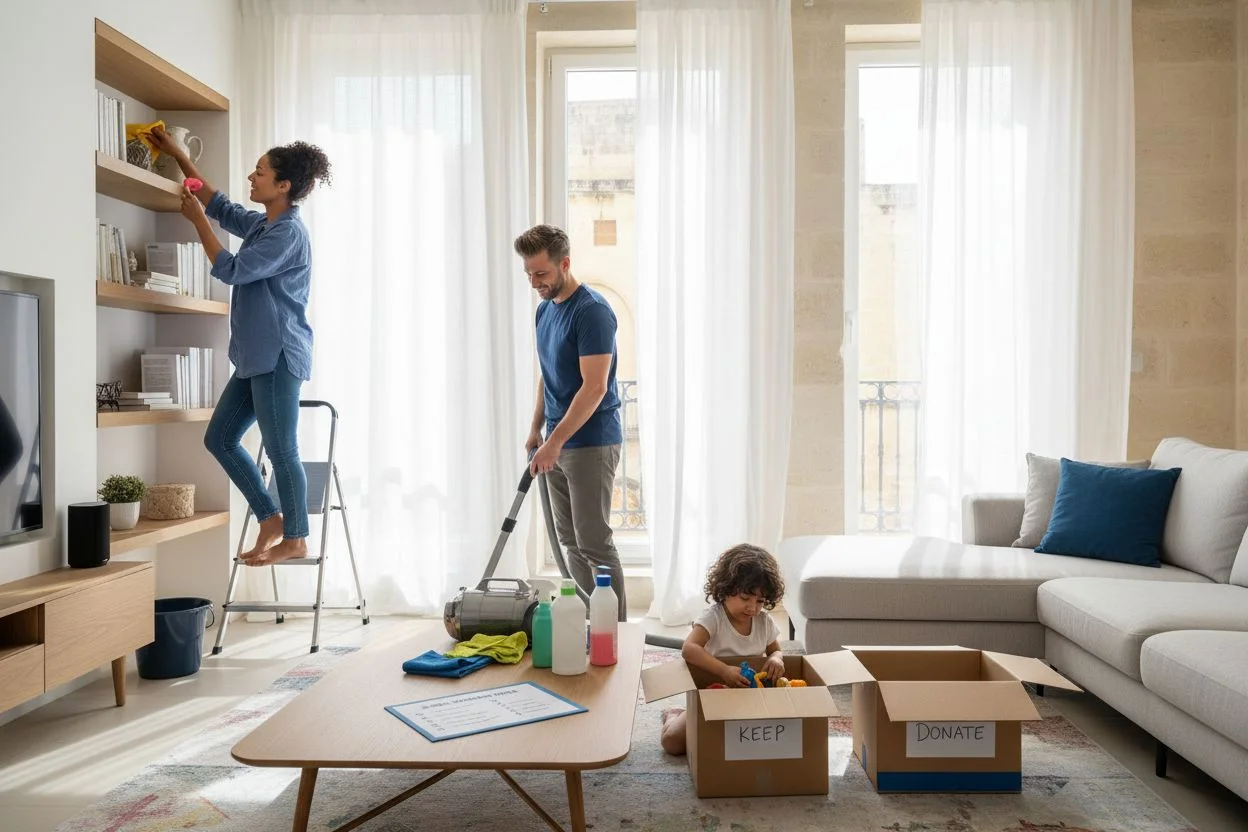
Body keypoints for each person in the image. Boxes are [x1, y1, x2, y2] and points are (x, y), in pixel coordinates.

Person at [149, 125, 331, 567]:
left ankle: (297, 537)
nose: (252, 177)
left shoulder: (286, 233)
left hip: (278, 355)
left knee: (281, 448)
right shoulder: (264, 224)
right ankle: (270, 518)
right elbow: (220, 205)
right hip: (254, 357)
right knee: (221, 438)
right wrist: (179, 155)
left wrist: (196, 223)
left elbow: (231, 268)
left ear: (283, 186)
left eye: (260, 171)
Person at [514, 224, 627, 620]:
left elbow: (594, 388)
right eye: (528, 274)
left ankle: (616, 632)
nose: (534, 283)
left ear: (564, 264)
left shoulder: (592, 312)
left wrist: (555, 442)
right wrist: (536, 429)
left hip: (591, 441)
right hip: (556, 441)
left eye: (541, 274)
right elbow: (549, 374)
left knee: (593, 542)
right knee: (570, 543)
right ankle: (586, 623)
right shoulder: (545, 310)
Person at [660, 543, 787, 756]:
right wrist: (724, 671)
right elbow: (689, 649)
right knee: (672, 743)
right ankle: (674, 715)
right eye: (746, 598)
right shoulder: (714, 617)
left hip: (751, 696)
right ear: (725, 590)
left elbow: (776, 650)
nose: (753, 607)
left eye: (760, 601)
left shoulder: (764, 621)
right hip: (713, 692)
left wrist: (777, 659)